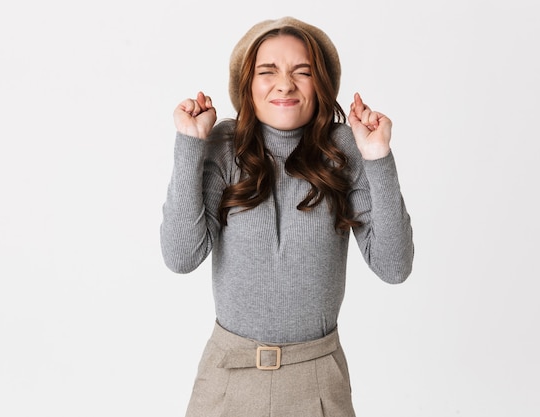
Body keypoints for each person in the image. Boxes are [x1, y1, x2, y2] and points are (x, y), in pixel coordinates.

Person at [160, 16, 414, 417]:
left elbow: (395, 266)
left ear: (322, 83)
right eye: (267, 71)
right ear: (247, 83)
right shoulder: (223, 146)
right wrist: (191, 144)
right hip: (227, 380)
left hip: (317, 384)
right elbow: (181, 257)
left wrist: (378, 157)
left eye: (303, 72)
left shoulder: (345, 148)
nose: (284, 84)